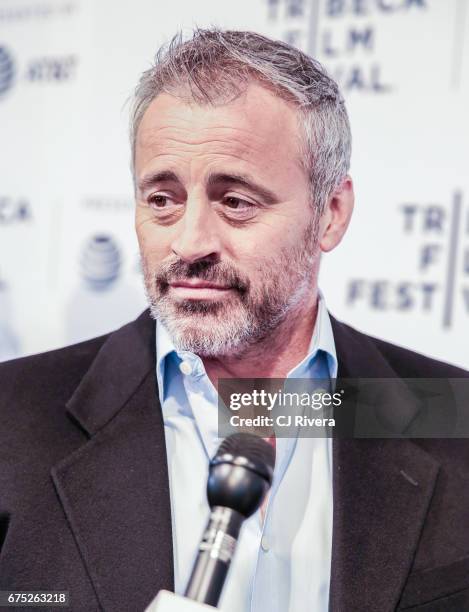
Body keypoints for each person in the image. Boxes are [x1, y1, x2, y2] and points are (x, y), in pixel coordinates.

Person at [1, 29, 469, 612]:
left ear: (330, 212)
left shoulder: (453, 420)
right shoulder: (10, 418)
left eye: (236, 201)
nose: (189, 242)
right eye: (162, 200)